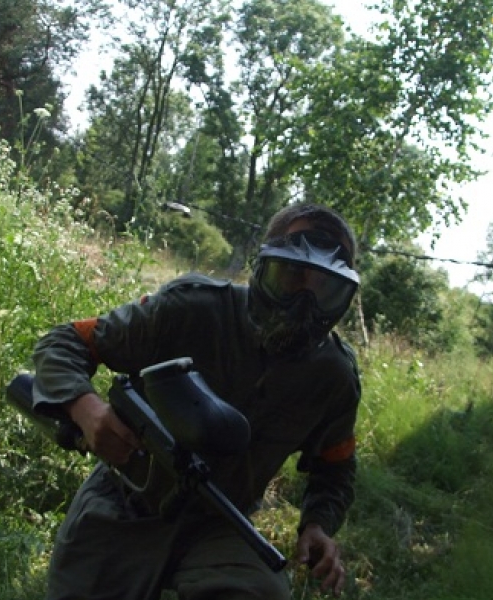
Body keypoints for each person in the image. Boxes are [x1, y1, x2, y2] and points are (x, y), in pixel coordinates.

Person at [31, 202, 362, 600]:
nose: (304, 303)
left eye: (325, 289)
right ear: (262, 268)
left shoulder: (333, 377)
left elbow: (335, 467)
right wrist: (87, 410)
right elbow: (65, 341)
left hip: (220, 525)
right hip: (126, 501)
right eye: (291, 275)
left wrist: (317, 525)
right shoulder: (192, 308)